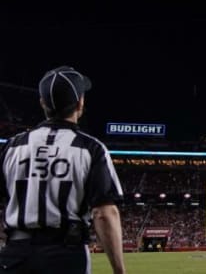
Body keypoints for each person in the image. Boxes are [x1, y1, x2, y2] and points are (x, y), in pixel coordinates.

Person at [0, 66, 125, 274]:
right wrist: (120, 271)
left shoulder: (12, 146)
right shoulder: (90, 148)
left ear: (42, 103)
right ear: (80, 103)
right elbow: (104, 213)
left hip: (15, 254)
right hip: (66, 254)